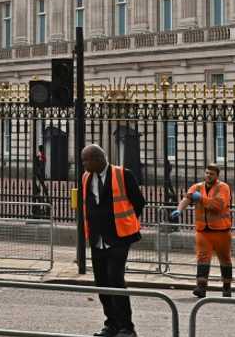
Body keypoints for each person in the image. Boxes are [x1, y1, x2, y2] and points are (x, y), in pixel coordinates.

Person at [81, 144, 146, 337]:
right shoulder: (85, 177)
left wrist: (127, 223)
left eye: (86, 160)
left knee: (115, 280)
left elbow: (139, 202)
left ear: (98, 159)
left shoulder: (123, 174)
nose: (83, 163)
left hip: (119, 237)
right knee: (101, 283)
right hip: (97, 239)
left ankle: (127, 327)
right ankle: (111, 324)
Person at [170, 163, 233, 298]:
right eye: (206, 173)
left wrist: (201, 199)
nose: (208, 176)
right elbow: (187, 198)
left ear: (217, 175)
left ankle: (226, 287)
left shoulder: (223, 188)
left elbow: (218, 206)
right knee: (202, 258)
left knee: (225, 259)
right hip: (203, 231)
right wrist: (179, 209)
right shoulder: (196, 187)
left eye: (211, 174)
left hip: (221, 231)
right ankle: (201, 287)